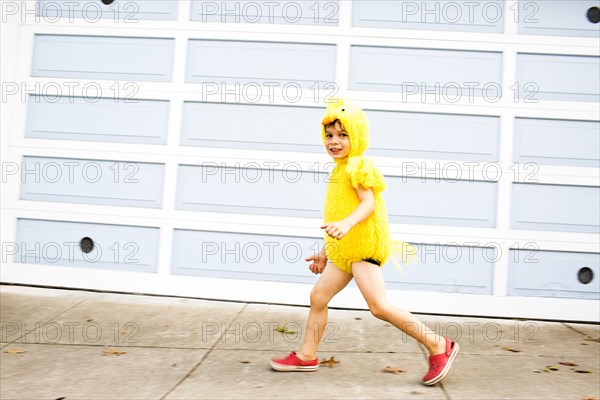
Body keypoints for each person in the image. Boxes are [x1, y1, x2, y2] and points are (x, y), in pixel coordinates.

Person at [270, 98, 459, 386]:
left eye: (342, 135)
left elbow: (367, 204)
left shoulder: (358, 166)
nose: (334, 141)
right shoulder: (338, 170)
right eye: (329, 135)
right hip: (345, 251)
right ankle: (307, 356)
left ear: (356, 136)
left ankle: (438, 345)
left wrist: (346, 224)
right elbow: (338, 217)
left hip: (364, 249)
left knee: (379, 307)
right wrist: (325, 251)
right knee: (318, 297)